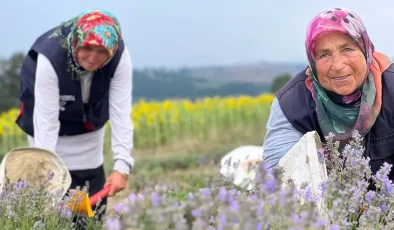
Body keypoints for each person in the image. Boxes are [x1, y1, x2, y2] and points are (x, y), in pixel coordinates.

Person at [15, 9, 134, 218]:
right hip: (48, 131)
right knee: (51, 208)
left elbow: (121, 113)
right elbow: (46, 122)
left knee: (88, 210)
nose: (93, 58)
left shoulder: (119, 57)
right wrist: (45, 174)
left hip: (87, 133)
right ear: (76, 44)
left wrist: (122, 166)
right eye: (87, 48)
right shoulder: (50, 58)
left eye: (102, 51)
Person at [262, 8, 394, 181]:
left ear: (365, 50)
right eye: (324, 54)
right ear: (312, 61)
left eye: (347, 49)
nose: (338, 65)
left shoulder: (391, 86)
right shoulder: (290, 104)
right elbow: (279, 180)